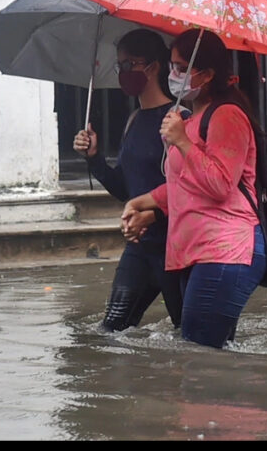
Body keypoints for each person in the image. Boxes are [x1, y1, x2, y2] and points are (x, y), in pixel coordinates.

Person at [121, 29, 267, 349]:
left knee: (200, 355)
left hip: (224, 249)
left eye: (181, 67)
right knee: (206, 353)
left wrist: (184, 142)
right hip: (198, 250)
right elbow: (183, 185)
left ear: (208, 74)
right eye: (172, 65)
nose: (174, 75)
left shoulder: (228, 116)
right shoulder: (191, 118)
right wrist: (142, 202)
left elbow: (219, 185)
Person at [73, 28, 185, 332]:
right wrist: (94, 158)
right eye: (119, 65)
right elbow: (125, 188)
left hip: (175, 246)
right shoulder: (134, 121)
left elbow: (190, 188)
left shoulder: (177, 120)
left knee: (187, 334)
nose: (123, 72)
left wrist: (153, 214)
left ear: (153, 67)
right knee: (111, 329)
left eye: (130, 64)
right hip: (140, 245)